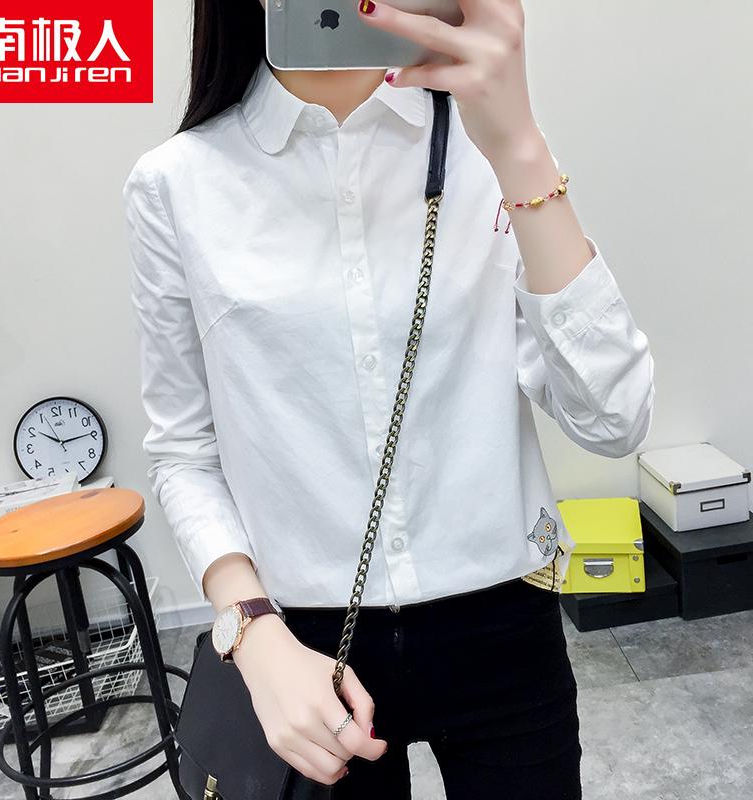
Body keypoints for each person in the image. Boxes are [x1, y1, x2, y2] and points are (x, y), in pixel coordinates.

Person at [122, 1, 655, 797]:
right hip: (303, 652)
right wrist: (250, 631)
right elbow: (183, 452)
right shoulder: (177, 184)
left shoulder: (487, 148)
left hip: (505, 628)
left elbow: (615, 419)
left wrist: (518, 144)